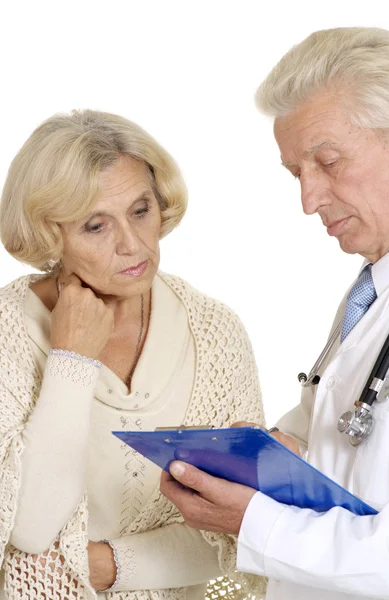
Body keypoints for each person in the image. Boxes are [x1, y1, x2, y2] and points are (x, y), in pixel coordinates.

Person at [160, 27, 389, 600]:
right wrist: (284, 453)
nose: (308, 199)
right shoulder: (373, 291)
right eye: (297, 173)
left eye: (328, 162)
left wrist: (254, 523)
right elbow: (358, 441)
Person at [0, 109, 266, 600]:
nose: (132, 244)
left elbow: (242, 528)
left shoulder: (215, 333)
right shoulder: (7, 333)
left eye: (141, 211)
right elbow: (29, 528)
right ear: (48, 234)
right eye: (96, 226)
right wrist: (72, 361)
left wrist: (108, 564)